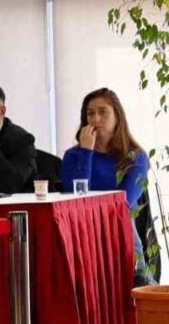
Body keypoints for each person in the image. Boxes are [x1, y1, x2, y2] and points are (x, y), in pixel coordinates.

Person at [62, 88, 151, 284]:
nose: (95, 119)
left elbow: (123, 203)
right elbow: (74, 199)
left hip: (120, 232)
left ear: (117, 117)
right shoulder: (73, 156)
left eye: (103, 112)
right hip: (83, 234)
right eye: (90, 114)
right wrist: (86, 152)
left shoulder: (135, 156)